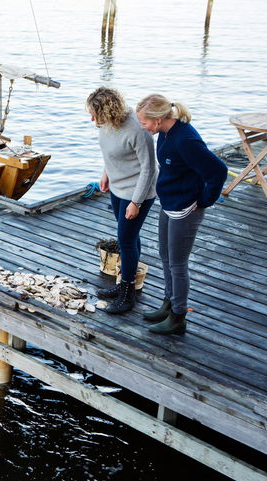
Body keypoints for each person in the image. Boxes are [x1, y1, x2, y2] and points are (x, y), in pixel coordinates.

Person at [136, 94, 227, 335]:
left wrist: (205, 201)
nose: (142, 127)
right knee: (165, 256)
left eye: (143, 122)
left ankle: (178, 316)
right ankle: (168, 303)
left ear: (157, 120)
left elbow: (218, 171)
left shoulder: (186, 140)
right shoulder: (165, 134)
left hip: (185, 209)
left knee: (178, 264)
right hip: (168, 203)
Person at [87, 87, 157, 314]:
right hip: (117, 188)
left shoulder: (138, 130)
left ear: (107, 111)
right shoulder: (107, 124)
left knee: (125, 240)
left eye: (94, 113)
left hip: (138, 192)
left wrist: (136, 202)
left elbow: (148, 169)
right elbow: (108, 153)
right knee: (129, 236)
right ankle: (125, 284)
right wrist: (105, 173)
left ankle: (127, 295)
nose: (91, 118)